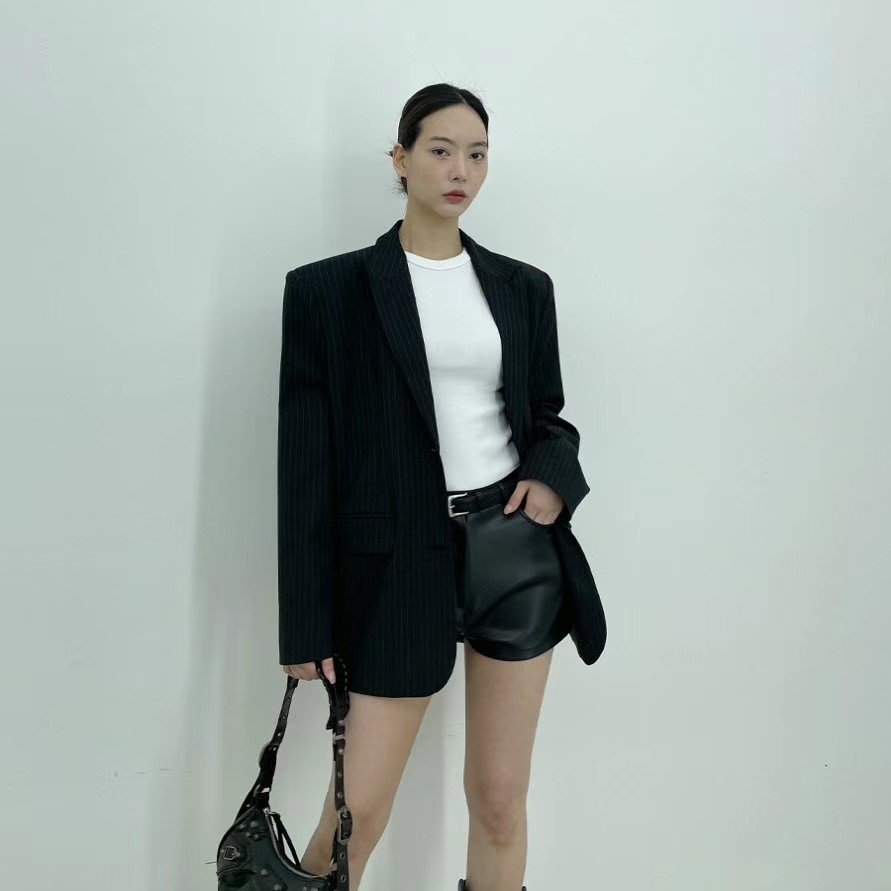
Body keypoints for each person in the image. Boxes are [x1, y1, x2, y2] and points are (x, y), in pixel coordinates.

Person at [277, 82, 606, 891]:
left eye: (477, 154)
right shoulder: (327, 292)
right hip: (396, 562)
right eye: (440, 150)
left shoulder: (522, 287)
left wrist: (551, 480)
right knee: (355, 814)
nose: (461, 169)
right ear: (400, 159)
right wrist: (304, 622)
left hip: (513, 551)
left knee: (498, 800)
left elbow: (547, 419)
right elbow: (304, 467)